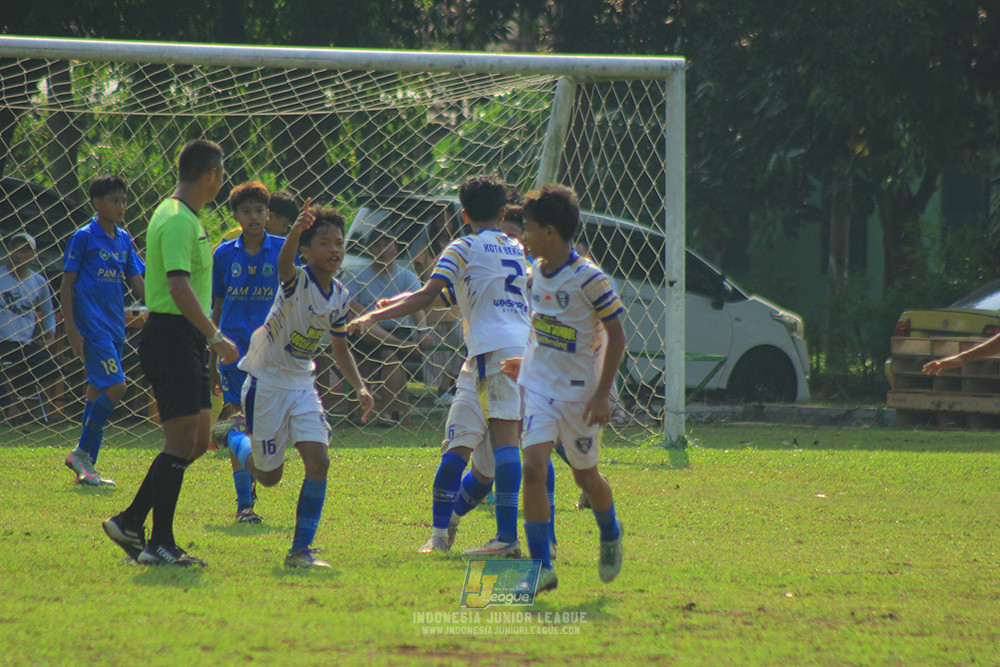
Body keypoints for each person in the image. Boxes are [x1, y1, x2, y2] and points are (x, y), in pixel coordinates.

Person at [348, 175, 530, 557]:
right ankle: (443, 531)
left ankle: (507, 540)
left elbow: (431, 293)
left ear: (463, 214)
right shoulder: (514, 247)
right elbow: (451, 293)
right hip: (511, 352)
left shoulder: (461, 246)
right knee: (472, 457)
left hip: (492, 352)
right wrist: (394, 303)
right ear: (502, 212)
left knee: (497, 446)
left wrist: (369, 318)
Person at [102, 139, 239, 567]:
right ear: (211, 175)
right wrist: (215, 336)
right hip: (172, 335)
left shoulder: (183, 215)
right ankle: (160, 542)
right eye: (222, 174)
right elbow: (178, 288)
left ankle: (131, 520)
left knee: (197, 440)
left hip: (186, 339)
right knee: (180, 439)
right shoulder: (178, 220)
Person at [226, 203, 374, 568]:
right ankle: (231, 435)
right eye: (324, 242)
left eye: (339, 242)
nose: (334, 249)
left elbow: (339, 347)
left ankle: (300, 550)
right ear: (307, 250)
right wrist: (295, 232)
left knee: (319, 459)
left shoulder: (340, 295)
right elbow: (283, 264)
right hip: (266, 383)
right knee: (268, 476)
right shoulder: (297, 280)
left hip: (303, 385)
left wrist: (359, 386)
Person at [503, 184, 625, 593]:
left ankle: (610, 533)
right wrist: (528, 360)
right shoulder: (532, 273)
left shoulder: (590, 280)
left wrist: (602, 394)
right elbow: (543, 329)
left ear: (551, 233)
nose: (523, 236)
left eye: (529, 229)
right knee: (533, 469)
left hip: (579, 396)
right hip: (538, 388)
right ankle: (540, 568)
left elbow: (617, 337)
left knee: (586, 479)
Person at [61, 174, 145, 486]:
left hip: (115, 327)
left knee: (96, 391)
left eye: (124, 200)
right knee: (117, 387)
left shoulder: (124, 239)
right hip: (91, 327)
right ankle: (81, 452)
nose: (122, 206)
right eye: (114, 200)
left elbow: (138, 283)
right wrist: (71, 328)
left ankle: (87, 469)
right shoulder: (84, 237)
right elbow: (66, 283)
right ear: (97, 203)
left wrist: (169, 305)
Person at [209, 180, 282, 524]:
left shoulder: (284, 251)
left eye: (259, 210)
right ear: (236, 215)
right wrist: (212, 355)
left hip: (272, 353)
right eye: (246, 211)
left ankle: (245, 458)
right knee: (239, 422)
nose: (253, 217)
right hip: (233, 353)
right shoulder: (223, 254)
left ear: (268, 215)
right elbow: (217, 307)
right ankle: (244, 506)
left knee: (261, 428)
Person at [343, 228, 430, 424]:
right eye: (377, 245)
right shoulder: (357, 275)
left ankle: (387, 415)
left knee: (389, 356)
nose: (382, 250)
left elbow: (418, 306)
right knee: (358, 314)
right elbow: (349, 306)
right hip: (364, 335)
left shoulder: (407, 276)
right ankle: (400, 345)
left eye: (387, 245)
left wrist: (423, 330)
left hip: (395, 331)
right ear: (370, 250)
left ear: (396, 248)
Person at [0, 232, 60, 423]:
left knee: (53, 369)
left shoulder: (39, 282)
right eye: (15, 249)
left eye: (24, 250)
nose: (18, 254)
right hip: (2, 340)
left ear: (33, 255)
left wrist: (50, 336)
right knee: (5, 366)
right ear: (9, 251)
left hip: (24, 343)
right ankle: (11, 406)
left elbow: (48, 312)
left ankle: (20, 401)